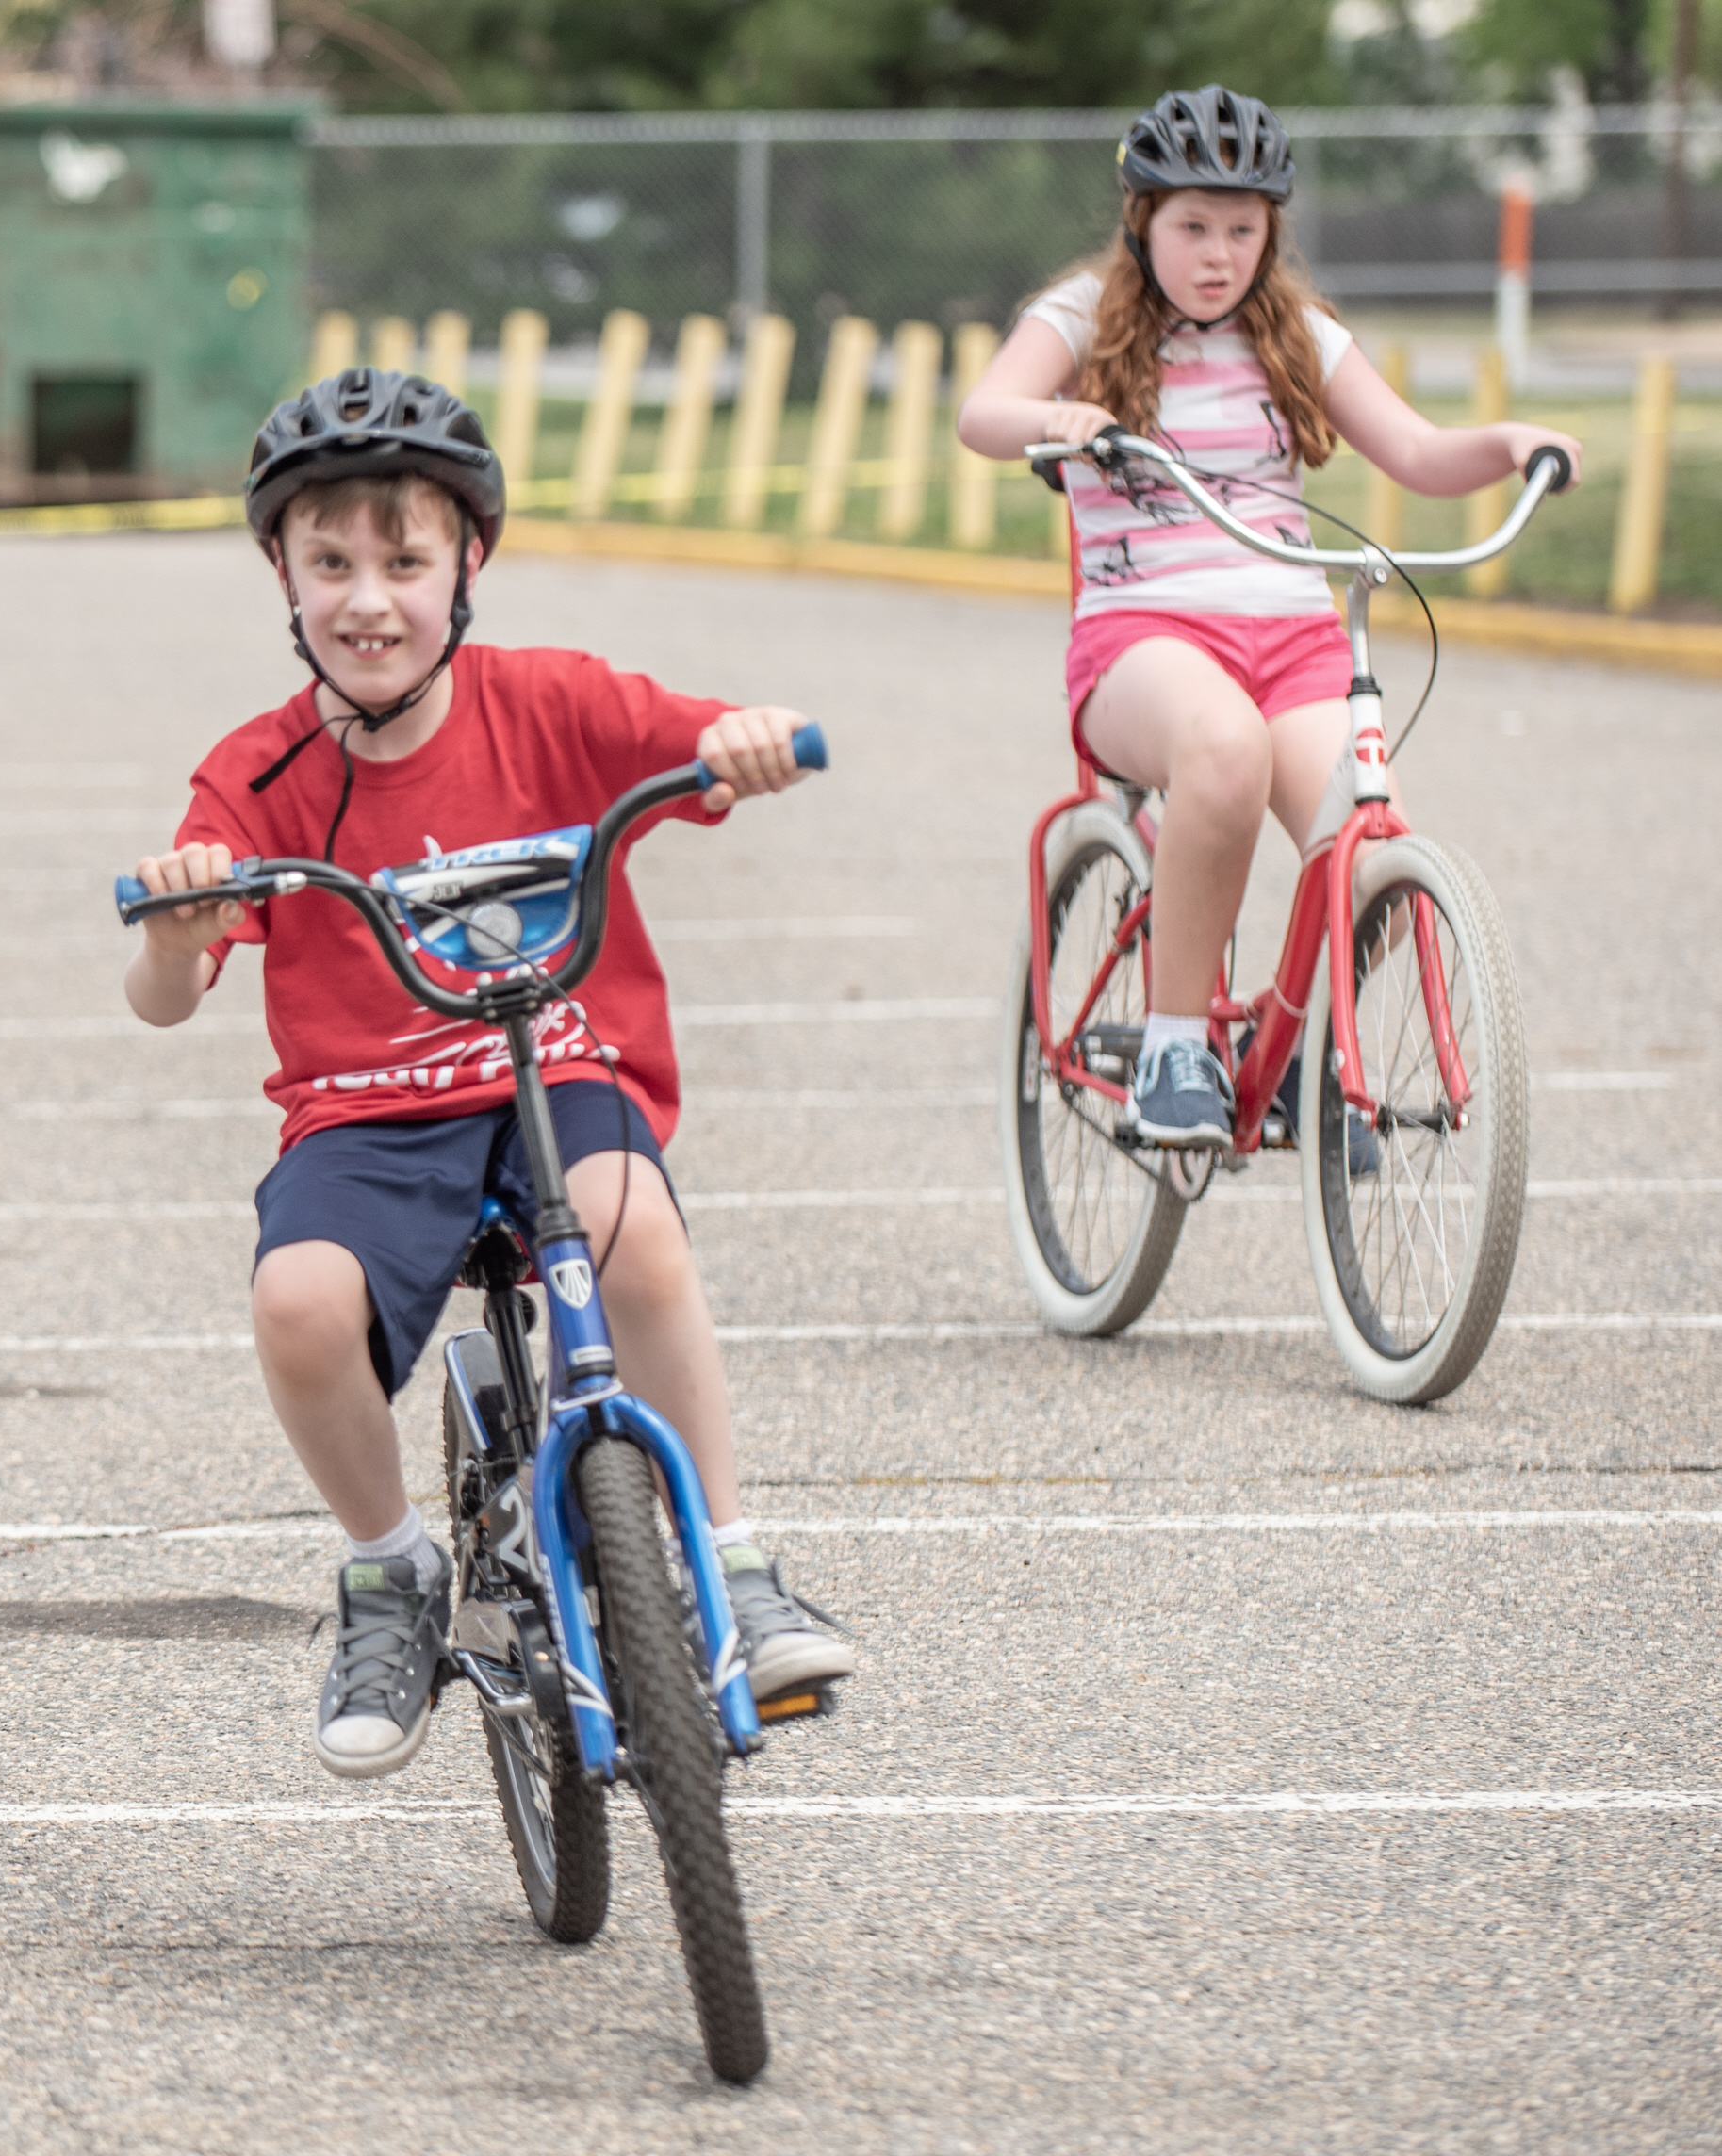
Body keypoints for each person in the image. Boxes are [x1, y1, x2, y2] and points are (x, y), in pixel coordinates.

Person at [124, 368, 854, 1779]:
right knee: (296, 1300)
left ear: (469, 564)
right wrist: (178, 926)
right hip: (366, 1112)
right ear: (280, 570)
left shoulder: (553, 706)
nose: (369, 599)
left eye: (405, 559)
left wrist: (741, 743)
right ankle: (390, 1573)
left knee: (628, 1229)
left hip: (553, 1067)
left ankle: (734, 1565)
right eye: (330, 562)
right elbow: (162, 999)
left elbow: (697, 741)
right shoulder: (257, 774)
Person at [958, 84, 1581, 1148]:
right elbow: (982, 414)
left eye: (1240, 230)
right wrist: (1059, 417)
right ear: (1139, 219)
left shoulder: (1296, 333)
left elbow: (1421, 454)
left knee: (1368, 848)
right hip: (1142, 637)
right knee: (1223, 749)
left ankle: (1286, 1056)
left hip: (1289, 640)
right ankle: (1168, 1045)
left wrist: (1509, 442)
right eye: (1190, 225)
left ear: (1268, 233)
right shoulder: (1076, 316)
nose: (1216, 253)